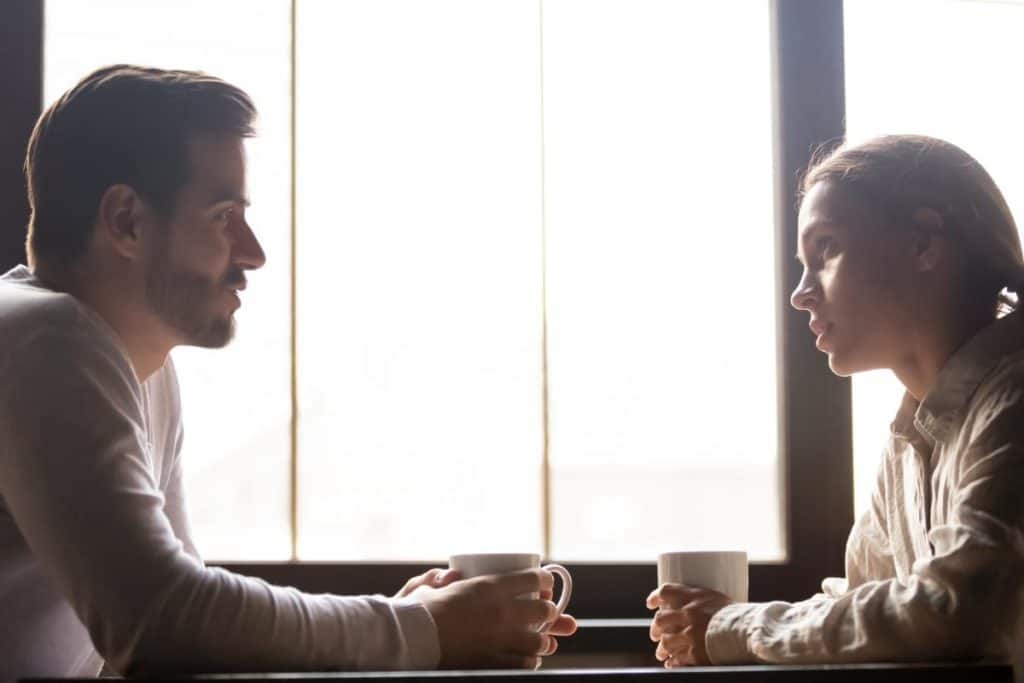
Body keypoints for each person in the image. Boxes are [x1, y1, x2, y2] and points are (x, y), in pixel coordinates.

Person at [0, 65, 575, 681]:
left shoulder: (140, 367)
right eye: (224, 217)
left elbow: (184, 635)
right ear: (126, 222)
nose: (253, 253)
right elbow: (161, 620)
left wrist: (412, 616)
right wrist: (423, 628)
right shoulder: (44, 337)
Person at [647, 134, 1024, 671]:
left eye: (825, 248)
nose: (800, 293)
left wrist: (734, 626)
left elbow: (953, 609)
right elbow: (859, 606)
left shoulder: (1012, 401)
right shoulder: (912, 437)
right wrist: (720, 624)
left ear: (922, 243)